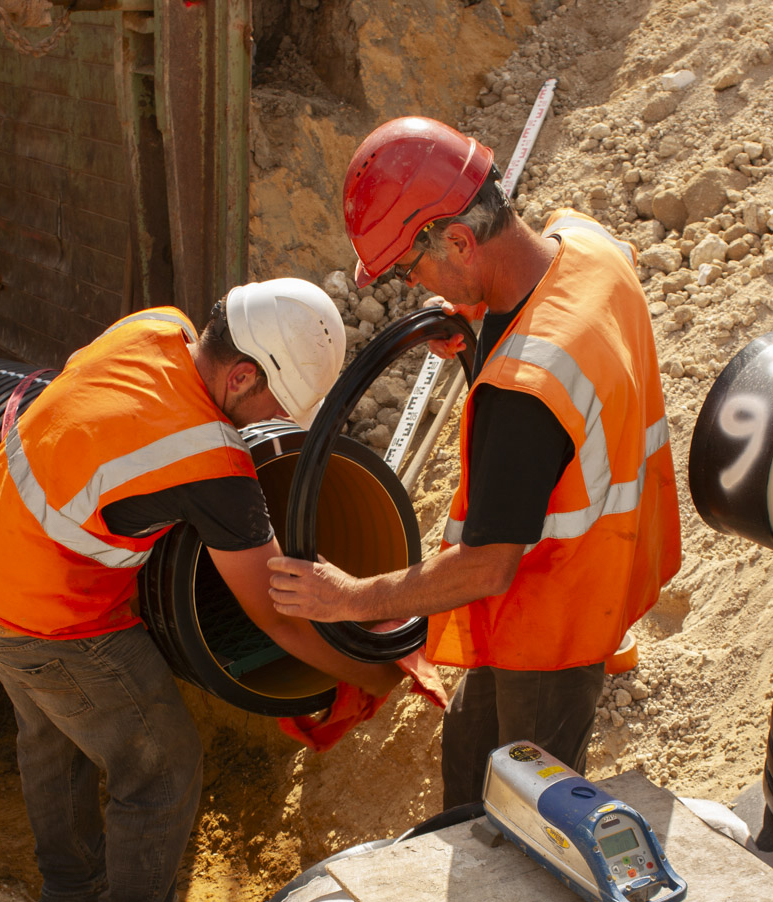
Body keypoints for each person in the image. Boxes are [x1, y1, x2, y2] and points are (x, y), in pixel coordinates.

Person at [0, 279, 402, 902]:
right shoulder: (212, 468)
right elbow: (275, 616)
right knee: (161, 762)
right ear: (243, 374)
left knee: (52, 728)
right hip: (48, 618)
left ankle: (70, 892)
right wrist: (370, 675)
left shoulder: (152, 328)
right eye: (273, 406)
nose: (275, 422)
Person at [268, 118, 681, 809]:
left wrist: (347, 597)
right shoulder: (586, 244)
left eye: (409, 266)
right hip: (576, 571)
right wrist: (472, 306)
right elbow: (558, 308)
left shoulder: (521, 396)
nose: (407, 284)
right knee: (468, 762)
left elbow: (485, 566)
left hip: (557, 619)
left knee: (527, 811)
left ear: (459, 239)